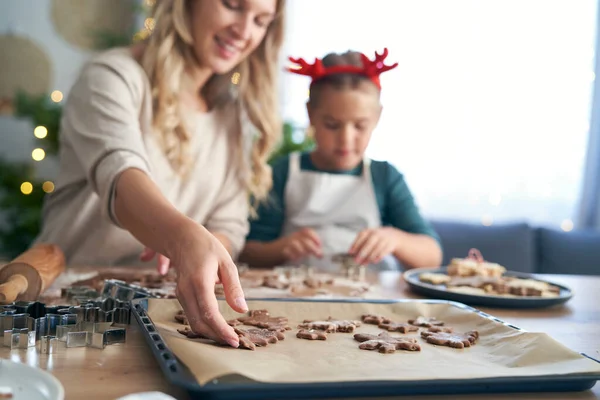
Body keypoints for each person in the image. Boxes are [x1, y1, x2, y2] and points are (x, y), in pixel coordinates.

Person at [33, 0, 286, 348]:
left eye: (260, 20)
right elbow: (120, 180)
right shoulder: (112, 76)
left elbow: (229, 225)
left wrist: (203, 252)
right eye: (232, 5)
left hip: (161, 315)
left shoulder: (232, 118)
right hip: (65, 311)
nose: (243, 31)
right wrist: (179, 237)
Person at [239, 49, 442, 271]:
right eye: (332, 125)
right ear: (310, 114)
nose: (346, 139)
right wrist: (281, 249)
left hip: (370, 298)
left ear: (377, 118)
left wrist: (395, 239)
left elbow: (432, 256)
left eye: (360, 126)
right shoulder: (283, 172)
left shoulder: (384, 177)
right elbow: (248, 252)